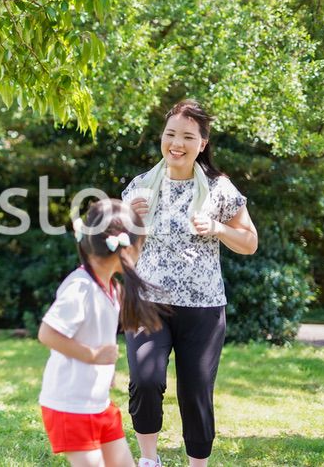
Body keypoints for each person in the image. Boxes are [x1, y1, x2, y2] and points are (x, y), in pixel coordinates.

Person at [120, 99, 259, 467]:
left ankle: (198, 463)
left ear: (202, 142)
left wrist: (217, 228)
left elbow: (249, 242)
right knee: (145, 380)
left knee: (196, 390)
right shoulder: (139, 187)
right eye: (170, 134)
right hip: (148, 303)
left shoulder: (220, 188)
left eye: (187, 136)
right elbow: (123, 253)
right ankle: (149, 459)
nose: (176, 143)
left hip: (203, 308)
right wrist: (130, 225)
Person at [38, 198, 163, 467]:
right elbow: (47, 333)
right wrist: (92, 356)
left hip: (98, 405)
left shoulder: (111, 289)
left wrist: (103, 373)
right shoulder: (80, 288)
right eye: (140, 245)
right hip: (69, 407)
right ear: (125, 247)